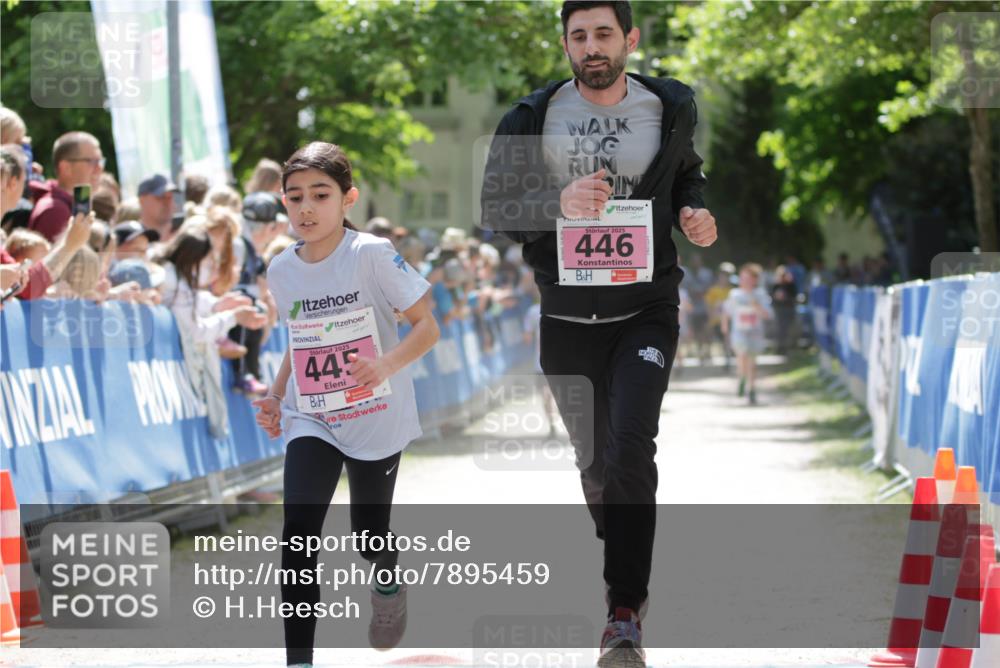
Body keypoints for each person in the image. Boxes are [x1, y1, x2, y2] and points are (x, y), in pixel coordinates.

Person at [480, 2, 716, 664]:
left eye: (603, 34)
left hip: (646, 310)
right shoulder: (530, 119)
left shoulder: (669, 105)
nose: (591, 46)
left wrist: (694, 209)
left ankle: (622, 611)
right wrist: (556, 204)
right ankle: (621, 538)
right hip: (566, 319)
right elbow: (497, 208)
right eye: (578, 36)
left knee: (631, 444)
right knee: (597, 467)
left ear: (630, 40)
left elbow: (685, 172)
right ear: (565, 44)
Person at [251, 142, 439, 667]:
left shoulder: (372, 254)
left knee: (368, 533)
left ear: (347, 198)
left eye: (320, 195)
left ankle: (387, 582)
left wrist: (384, 365)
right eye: (294, 197)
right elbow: (300, 338)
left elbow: (427, 327)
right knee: (299, 530)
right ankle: (299, 660)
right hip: (312, 415)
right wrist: (276, 393)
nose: (306, 208)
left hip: (376, 414)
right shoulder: (282, 269)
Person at [155, 221, 268, 437]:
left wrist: (218, 304)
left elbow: (193, 299)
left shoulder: (180, 280)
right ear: (193, 260)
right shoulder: (172, 281)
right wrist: (233, 317)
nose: (213, 269)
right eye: (208, 263)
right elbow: (196, 331)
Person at [28, 131, 104, 242]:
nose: (99, 168)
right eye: (92, 161)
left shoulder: (69, 205)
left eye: (101, 161)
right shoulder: (54, 211)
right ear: (66, 167)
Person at [721, 263, 773, 405]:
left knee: (752, 362)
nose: (744, 281)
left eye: (748, 278)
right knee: (742, 357)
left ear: (755, 280)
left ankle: (752, 389)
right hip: (739, 332)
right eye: (743, 278)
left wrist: (756, 305)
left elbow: (768, 314)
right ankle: (742, 378)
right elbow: (727, 311)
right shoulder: (735, 294)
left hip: (755, 333)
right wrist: (724, 325)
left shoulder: (761, 294)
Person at [137, 174, 179, 242]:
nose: (167, 203)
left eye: (170, 197)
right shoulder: (132, 242)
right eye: (161, 197)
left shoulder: (183, 239)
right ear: (142, 200)